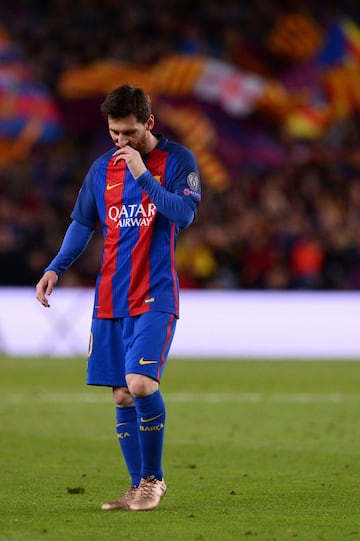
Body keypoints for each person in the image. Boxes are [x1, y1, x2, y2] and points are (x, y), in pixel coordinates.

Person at [35, 83, 201, 511]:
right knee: (123, 395)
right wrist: (56, 267)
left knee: (141, 383)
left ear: (149, 122)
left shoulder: (177, 161)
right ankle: (134, 487)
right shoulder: (100, 170)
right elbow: (81, 224)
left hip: (154, 294)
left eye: (129, 133)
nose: (121, 142)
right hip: (110, 297)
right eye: (114, 134)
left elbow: (183, 213)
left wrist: (143, 175)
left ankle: (153, 481)